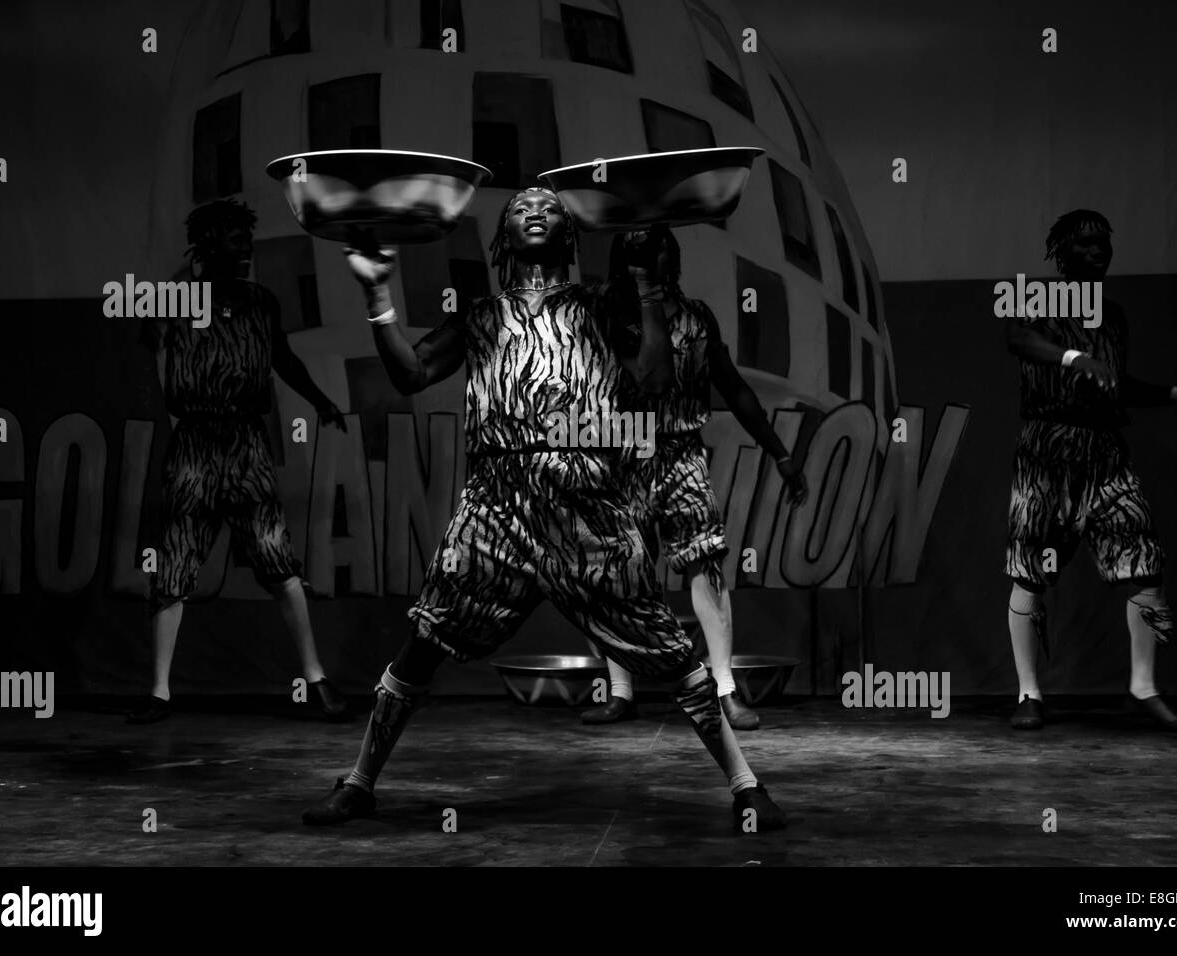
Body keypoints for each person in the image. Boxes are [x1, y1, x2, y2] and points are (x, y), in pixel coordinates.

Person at [301, 188, 785, 830]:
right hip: (495, 509)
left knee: (670, 656)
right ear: (503, 234)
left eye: (550, 205)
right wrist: (376, 297)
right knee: (423, 644)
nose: (535, 208)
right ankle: (359, 781)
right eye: (521, 204)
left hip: (588, 509)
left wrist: (643, 285)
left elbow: (653, 380)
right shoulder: (480, 317)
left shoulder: (600, 309)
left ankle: (747, 786)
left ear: (570, 232)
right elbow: (411, 374)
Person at [128, 199, 349, 724]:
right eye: (234, 242)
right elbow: (147, 343)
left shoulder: (260, 302)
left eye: (247, 242)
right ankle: (158, 692)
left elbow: (283, 358)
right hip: (195, 442)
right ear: (207, 247)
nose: (246, 250)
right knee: (175, 560)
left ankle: (316, 679)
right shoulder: (175, 300)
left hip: (245, 442)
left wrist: (318, 400)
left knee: (277, 559)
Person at [580, 226, 807, 730]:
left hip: (682, 453)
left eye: (657, 240)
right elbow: (647, 376)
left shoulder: (697, 318)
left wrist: (780, 454)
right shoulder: (608, 313)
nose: (648, 248)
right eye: (637, 242)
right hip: (624, 454)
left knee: (706, 562)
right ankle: (621, 691)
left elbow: (735, 388)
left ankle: (725, 689)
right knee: (619, 573)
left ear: (671, 253)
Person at [1003, 209, 1177, 731]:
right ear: (1062, 253)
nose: (1097, 251)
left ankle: (1141, 689)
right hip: (1047, 451)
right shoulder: (1038, 300)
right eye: (1085, 244)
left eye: (1104, 243)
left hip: (1103, 454)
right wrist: (1075, 359)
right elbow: (1019, 341)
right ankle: (1028, 694)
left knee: (1144, 560)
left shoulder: (1112, 315)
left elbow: (1115, 384)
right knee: (1031, 567)